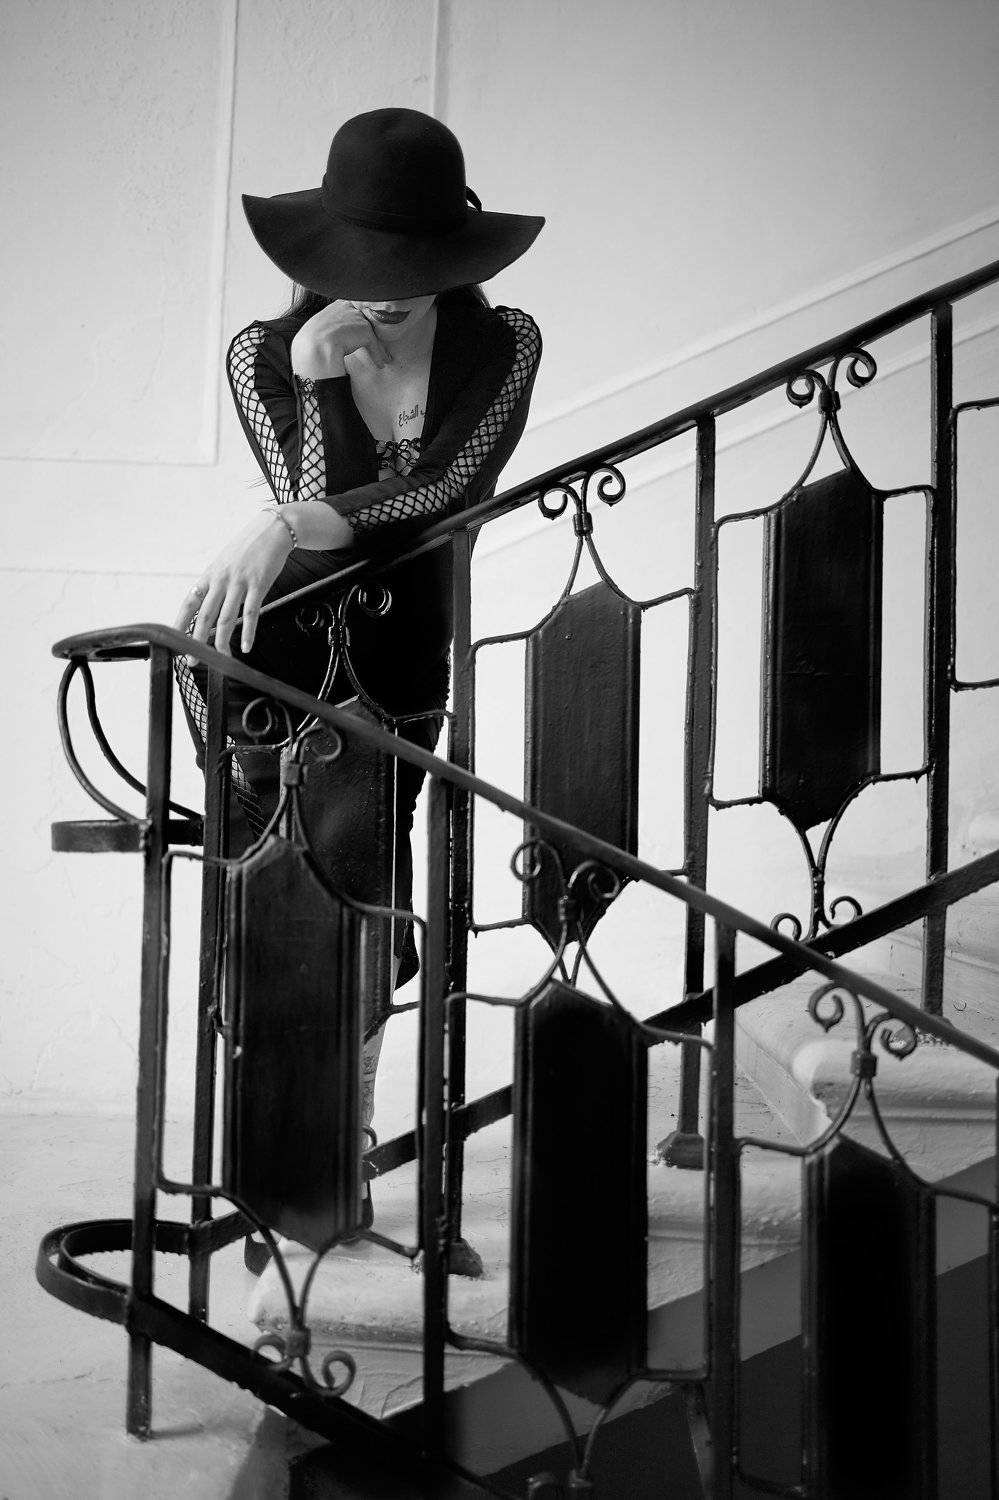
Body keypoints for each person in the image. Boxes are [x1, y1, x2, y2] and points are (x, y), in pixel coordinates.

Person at [173, 107, 543, 1267]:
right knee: (266, 918)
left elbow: (448, 489)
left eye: (410, 266)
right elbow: (313, 514)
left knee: (369, 922)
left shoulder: (503, 344)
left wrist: (290, 522)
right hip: (263, 662)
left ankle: (346, 1158)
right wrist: (313, 384)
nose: (385, 292)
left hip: (393, 665)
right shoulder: (264, 355)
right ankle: (279, 1179)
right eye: (366, 264)